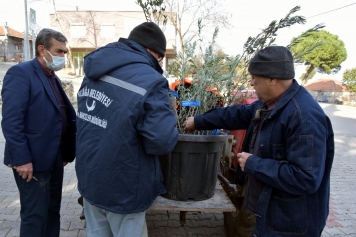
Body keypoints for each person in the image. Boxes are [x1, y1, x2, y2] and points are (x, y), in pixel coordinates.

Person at [184, 46, 334, 237]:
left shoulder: (304, 118)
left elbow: (305, 178)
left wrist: (255, 164)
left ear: (272, 79)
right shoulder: (270, 104)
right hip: (264, 210)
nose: (252, 82)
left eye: (255, 77)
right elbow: (237, 114)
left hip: (287, 224)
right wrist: (198, 121)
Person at [75, 22, 178, 237]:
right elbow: (161, 141)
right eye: (159, 58)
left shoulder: (93, 70)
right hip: (124, 186)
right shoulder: (151, 80)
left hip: (90, 179)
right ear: (152, 51)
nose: (158, 63)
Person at [1, 28, 77, 237]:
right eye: (59, 51)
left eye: (64, 52)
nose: (63, 56)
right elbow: (11, 121)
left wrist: (63, 152)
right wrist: (22, 159)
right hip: (31, 162)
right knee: (35, 216)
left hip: (54, 158)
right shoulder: (21, 73)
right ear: (42, 50)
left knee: (52, 212)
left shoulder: (53, 77)